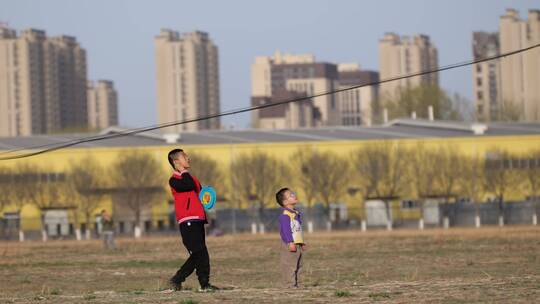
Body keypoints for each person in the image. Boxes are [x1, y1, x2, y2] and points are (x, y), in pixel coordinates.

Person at [167, 148, 218, 292]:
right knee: (198, 253)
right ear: (176, 161)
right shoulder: (174, 180)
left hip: (198, 219)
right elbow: (188, 185)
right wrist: (183, 171)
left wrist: (208, 197)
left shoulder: (191, 178)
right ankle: (177, 279)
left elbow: (200, 194)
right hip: (187, 221)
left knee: (201, 253)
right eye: (184, 156)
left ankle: (204, 284)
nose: (188, 159)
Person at [276, 187, 307, 288]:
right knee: (289, 265)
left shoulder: (296, 214)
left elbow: (298, 229)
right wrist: (290, 242)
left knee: (298, 265)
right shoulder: (285, 215)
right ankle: (289, 285)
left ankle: (297, 283)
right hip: (289, 244)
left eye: (293, 193)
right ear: (285, 202)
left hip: (297, 243)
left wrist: (302, 242)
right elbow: (286, 231)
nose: (294, 195)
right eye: (291, 195)